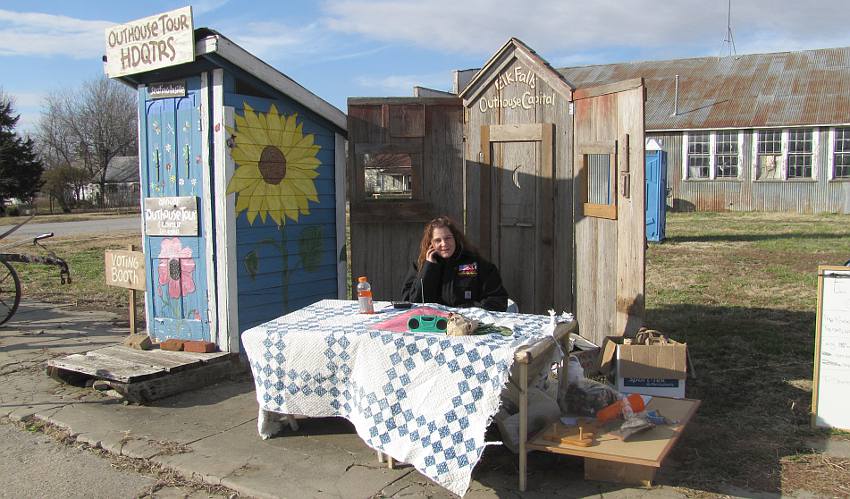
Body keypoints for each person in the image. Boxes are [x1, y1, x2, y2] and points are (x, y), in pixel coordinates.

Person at [401, 216, 509, 311]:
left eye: (448, 238)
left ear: (456, 239)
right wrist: (429, 269)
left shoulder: (476, 264)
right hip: (431, 326)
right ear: (431, 244)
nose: (444, 244)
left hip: (468, 324)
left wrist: (470, 309)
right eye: (438, 240)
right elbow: (412, 303)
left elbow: (498, 300)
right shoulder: (419, 266)